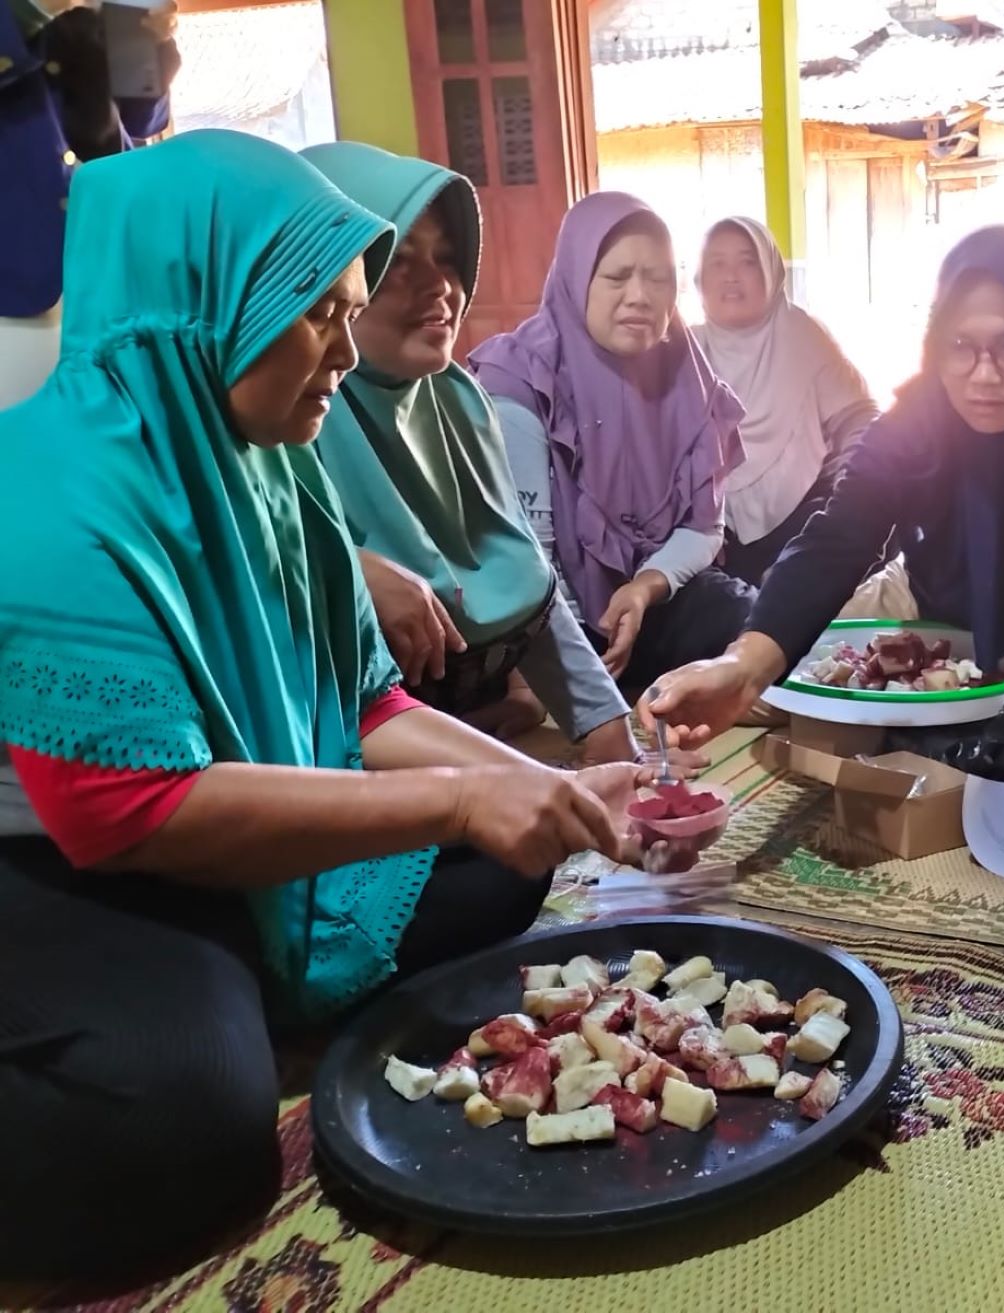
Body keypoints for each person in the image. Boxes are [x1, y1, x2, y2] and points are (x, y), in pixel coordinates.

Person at [0, 132, 649, 1283]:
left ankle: (239, 974)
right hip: (57, 858)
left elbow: (363, 699)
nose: (346, 353)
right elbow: (124, 809)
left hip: (210, 809)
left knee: (512, 862)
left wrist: (530, 786)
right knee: (185, 1129)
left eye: (353, 313)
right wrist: (457, 799)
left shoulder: (272, 457)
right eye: (318, 315)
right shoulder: (48, 491)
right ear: (205, 304)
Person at [641, 225, 1004, 771]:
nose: (984, 375)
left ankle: (918, 719)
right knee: (784, 679)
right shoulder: (921, 417)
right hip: (926, 597)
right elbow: (843, 530)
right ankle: (923, 715)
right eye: (960, 347)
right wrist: (744, 660)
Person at [303, 142, 635, 760]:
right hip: (354, 774)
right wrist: (345, 570)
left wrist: (607, 732)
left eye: (449, 259)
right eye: (398, 262)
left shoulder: (457, 401)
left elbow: (518, 566)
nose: (441, 289)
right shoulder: (294, 418)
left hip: (479, 752)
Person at [472, 193, 756, 691]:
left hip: (649, 602)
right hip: (549, 615)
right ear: (577, 279)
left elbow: (704, 527)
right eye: (617, 277)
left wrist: (644, 589)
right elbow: (531, 559)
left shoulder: (689, 378)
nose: (641, 297)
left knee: (751, 621)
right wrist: (584, 657)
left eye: (659, 278)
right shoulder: (522, 380)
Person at [0, 0, 180, 407]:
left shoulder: (86, 24)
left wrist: (143, 40)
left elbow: (141, 121)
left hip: (108, 283)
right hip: (15, 300)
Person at [695, 216, 880, 583]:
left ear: (770, 271)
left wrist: (853, 498)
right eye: (717, 263)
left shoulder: (804, 337)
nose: (731, 275)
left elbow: (860, 420)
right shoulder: (684, 351)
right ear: (699, 279)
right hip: (711, 536)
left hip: (801, 523)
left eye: (747, 261)